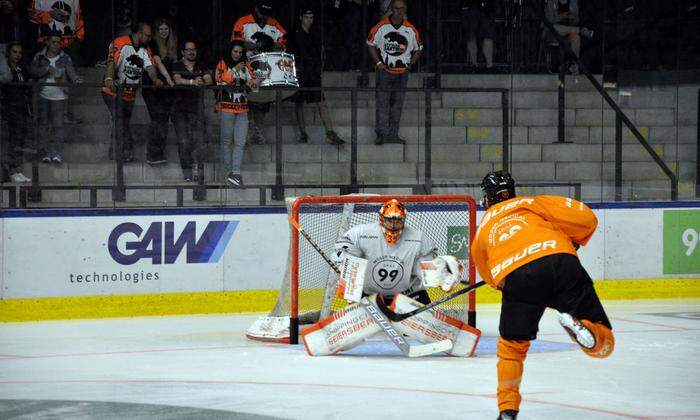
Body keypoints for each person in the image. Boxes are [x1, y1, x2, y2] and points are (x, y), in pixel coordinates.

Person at [470, 171, 615, 420]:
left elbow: (496, 280)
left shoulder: (482, 232)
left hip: (519, 276)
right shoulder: (532, 203)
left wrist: (517, 272)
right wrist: (574, 239)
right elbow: (586, 218)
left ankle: (507, 409)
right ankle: (588, 330)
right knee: (605, 342)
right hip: (561, 259)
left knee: (512, 348)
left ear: (487, 198)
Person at [301, 198, 478, 357]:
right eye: (389, 220)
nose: (393, 225)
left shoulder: (418, 239)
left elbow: (424, 270)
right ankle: (328, 337)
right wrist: (344, 264)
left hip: (408, 295)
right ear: (380, 218)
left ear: (404, 220)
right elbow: (344, 251)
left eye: (398, 220)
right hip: (369, 296)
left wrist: (439, 274)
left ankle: (456, 341)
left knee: (428, 330)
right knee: (351, 336)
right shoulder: (361, 233)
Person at [101, 22, 162, 163]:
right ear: (139, 34)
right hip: (113, 90)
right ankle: (123, 152)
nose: (149, 38)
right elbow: (110, 62)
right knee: (120, 119)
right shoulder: (120, 42)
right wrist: (109, 78)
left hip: (129, 92)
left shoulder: (145, 49)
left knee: (122, 122)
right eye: (147, 35)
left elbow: (150, 67)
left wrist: (155, 79)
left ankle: (117, 152)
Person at [231, 0, 286, 144]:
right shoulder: (243, 22)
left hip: (265, 70)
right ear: (256, 9)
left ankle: (257, 131)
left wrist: (271, 43)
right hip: (247, 69)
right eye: (262, 13)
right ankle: (248, 130)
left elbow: (283, 41)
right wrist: (254, 45)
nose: (264, 16)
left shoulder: (274, 23)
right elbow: (236, 43)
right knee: (248, 100)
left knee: (262, 101)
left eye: (267, 13)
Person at [367, 0, 422, 145]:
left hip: (402, 72)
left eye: (401, 8)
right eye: (396, 8)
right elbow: (370, 43)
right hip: (385, 71)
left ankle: (393, 134)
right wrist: (378, 63)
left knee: (397, 104)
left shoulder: (410, 29)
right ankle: (381, 134)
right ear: (391, 9)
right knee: (383, 102)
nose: (398, 11)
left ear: (405, 9)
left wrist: (412, 63)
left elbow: (419, 48)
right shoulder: (382, 26)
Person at [288, 7, 344, 145]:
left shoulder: (315, 33)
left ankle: (330, 133)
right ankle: (303, 133)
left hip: (312, 72)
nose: (309, 20)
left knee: (321, 101)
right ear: (301, 18)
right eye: (307, 17)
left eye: (311, 18)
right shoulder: (295, 34)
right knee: (299, 103)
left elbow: (318, 53)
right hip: (300, 72)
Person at [30, 32, 82, 164]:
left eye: (58, 42)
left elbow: (71, 74)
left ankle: (57, 153)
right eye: (53, 42)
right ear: (47, 42)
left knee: (58, 126)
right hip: (43, 94)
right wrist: (47, 70)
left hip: (59, 96)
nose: (56, 45)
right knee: (43, 125)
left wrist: (76, 79)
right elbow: (32, 71)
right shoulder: (39, 56)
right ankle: (45, 153)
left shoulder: (65, 58)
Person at [215, 40, 256, 187]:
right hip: (226, 107)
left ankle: (236, 173)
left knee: (240, 142)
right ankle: (228, 173)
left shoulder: (246, 65)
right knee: (226, 142)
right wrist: (233, 70)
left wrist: (254, 81)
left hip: (242, 109)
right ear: (230, 51)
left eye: (240, 52)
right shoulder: (222, 64)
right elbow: (219, 81)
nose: (238, 54)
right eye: (235, 51)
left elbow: (254, 83)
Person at [170, 39, 212, 182]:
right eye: (188, 49)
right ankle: (187, 171)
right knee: (183, 141)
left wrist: (202, 80)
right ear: (183, 52)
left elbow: (209, 79)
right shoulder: (177, 64)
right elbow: (177, 79)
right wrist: (193, 81)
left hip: (197, 108)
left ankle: (196, 167)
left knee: (198, 140)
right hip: (179, 109)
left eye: (193, 49)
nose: (191, 51)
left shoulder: (201, 65)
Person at [143, 17, 176, 165]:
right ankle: (152, 154)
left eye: (166, 29)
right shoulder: (153, 43)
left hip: (166, 89)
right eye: (161, 29)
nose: (164, 32)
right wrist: (169, 79)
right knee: (157, 118)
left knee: (163, 119)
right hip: (153, 86)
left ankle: (159, 154)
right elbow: (158, 63)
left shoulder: (171, 46)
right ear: (156, 31)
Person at [1, 42, 32, 183]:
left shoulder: (21, 69)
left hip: (22, 108)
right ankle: (11, 170)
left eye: (19, 52)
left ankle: (17, 170)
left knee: (20, 140)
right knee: (12, 140)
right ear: (8, 53)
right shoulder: (5, 70)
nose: (18, 55)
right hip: (9, 109)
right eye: (15, 52)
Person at [544, 0, 594, 75]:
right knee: (555, 27)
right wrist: (565, 17)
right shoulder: (551, 2)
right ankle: (581, 31)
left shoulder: (573, 1)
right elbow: (550, 20)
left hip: (568, 30)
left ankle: (574, 66)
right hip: (553, 32)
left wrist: (563, 18)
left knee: (576, 37)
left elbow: (576, 19)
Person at [461, 0, 497, 72]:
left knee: (471, 35)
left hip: (472, 7)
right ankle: (488, 65)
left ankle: (474, 64)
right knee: (487, 35)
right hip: (484, 8)